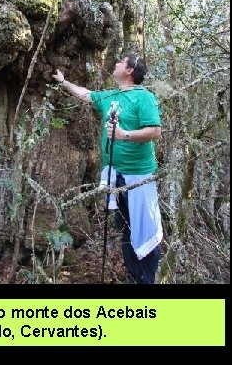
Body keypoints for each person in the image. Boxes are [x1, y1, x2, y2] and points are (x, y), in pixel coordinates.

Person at [52, 54, 163, 284]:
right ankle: (133, 277)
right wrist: (63, 82)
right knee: (126, 228)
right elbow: (86, 95)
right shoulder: (111, 95)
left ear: (130, 70)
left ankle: (147, 281)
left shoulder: (144, 98)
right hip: (116, 175)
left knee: (147, 229)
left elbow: (155, 131)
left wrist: (125, 135)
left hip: (139, 176)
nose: (115, 64)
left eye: (120, 62)